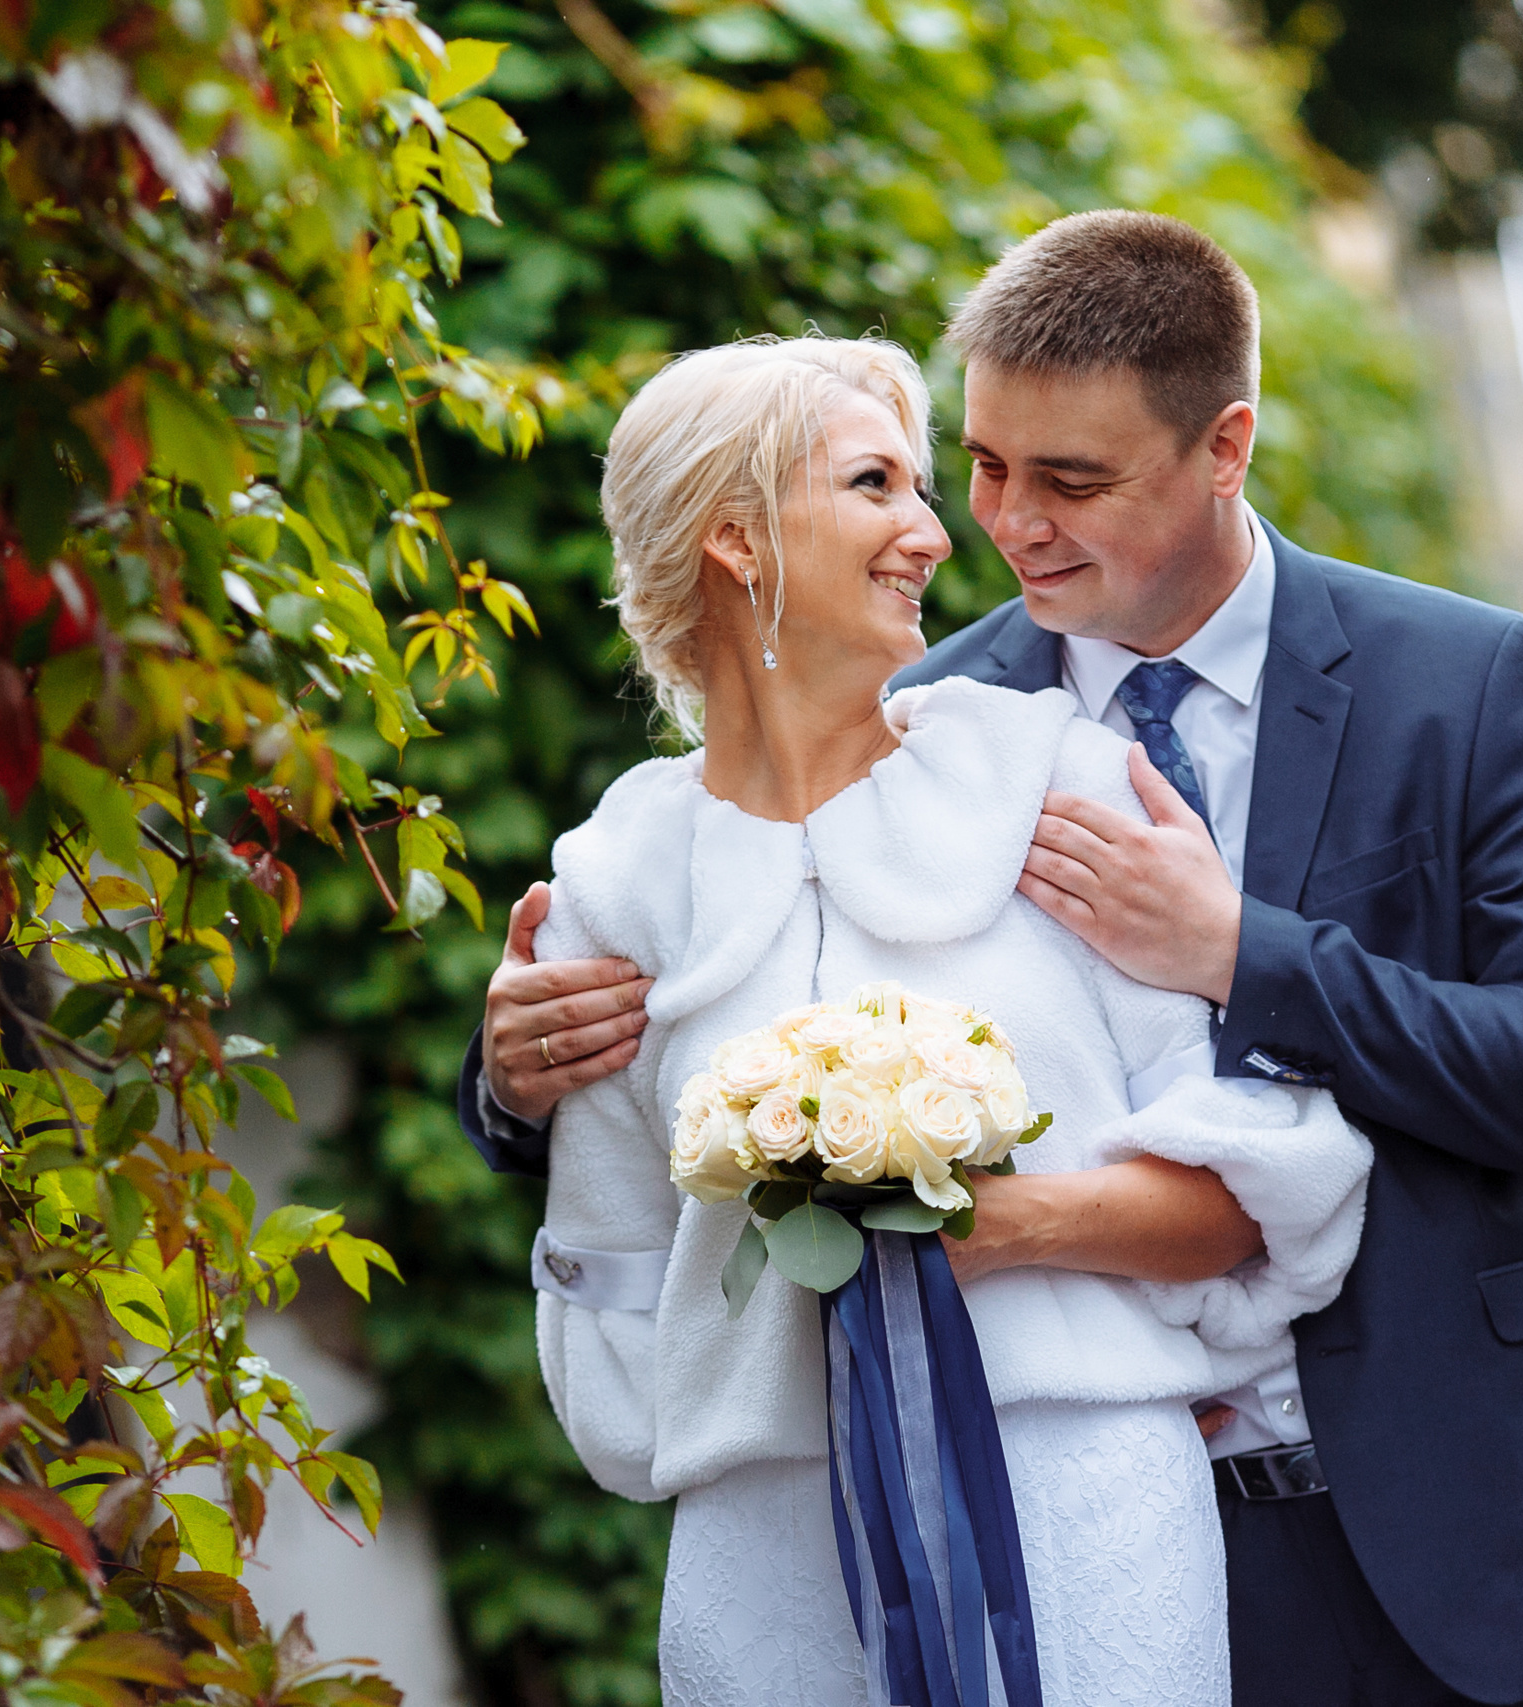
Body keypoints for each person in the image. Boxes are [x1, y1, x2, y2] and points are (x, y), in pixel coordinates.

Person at [468, 212, 1523, 1704]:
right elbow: (722, 980)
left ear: (1225, 449)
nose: (1003, 529)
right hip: (1169, 1545)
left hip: (1507, 1514)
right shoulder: (935, 731)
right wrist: (514, 1078)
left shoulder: (1455, 679)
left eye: (1071, 482)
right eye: (988, 467)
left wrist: (1239, 952)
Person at [527, 329, 1373, 1704]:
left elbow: (1261, 1184)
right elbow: (610, 1270)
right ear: (738, 540)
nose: (933, 534)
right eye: (876, 485)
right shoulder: (611, 889)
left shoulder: (1064, 788)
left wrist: (990, 1228)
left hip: (1091, 1503)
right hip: (767, 1551)